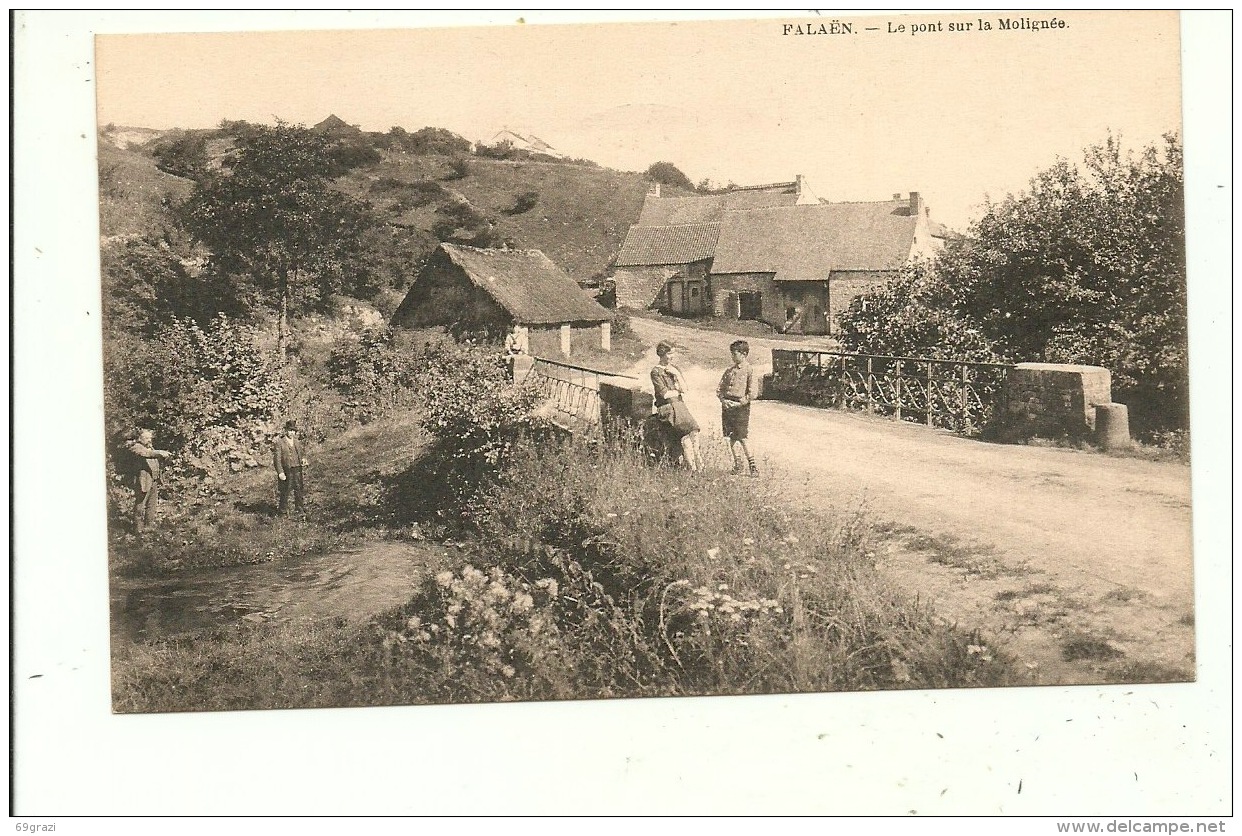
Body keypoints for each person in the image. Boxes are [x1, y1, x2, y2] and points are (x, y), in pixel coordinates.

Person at [651, 340, 704, 472]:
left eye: (673, 353)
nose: (672, 356)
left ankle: (698, 464)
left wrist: (677, 374)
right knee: (686, 435)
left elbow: (685, 389)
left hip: (679, 406)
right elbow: (665, 394)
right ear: (662, 354)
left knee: (694, 431)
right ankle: (692, 468)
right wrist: (677, 390)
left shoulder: (674, 369)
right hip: (667, 408)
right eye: (669, 353)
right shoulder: (656, 372)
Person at [718, 340, 760, 476]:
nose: (732, 357)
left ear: (744, 354)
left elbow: (753, 392)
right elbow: (719, 389)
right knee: (731, 437)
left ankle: (752, 465)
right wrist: (723, 400)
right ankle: (738, 464)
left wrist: (740, 402)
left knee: (742, 436)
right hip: (727, 406)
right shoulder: (729, 371)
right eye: (732, 354)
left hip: (740, 407)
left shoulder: (749, 370)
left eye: (735, 354)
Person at [126, 428, 172, 534]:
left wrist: (164, 458)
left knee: (152, 504)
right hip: (143, 481)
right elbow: (147, 454)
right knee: (140, 504)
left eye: (150, 438)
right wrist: (160, 452)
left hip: (153, 480)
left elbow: (154, 458)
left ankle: (149, 526)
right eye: (146, 438)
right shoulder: (136, 447)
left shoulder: (149, 447)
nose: (149, 440)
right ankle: (138, 530)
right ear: (139, 438)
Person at [273, 420, 308, 516]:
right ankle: (282, 512)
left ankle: (299, 510)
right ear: (286, 430)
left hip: (297, 468)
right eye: (290, 430)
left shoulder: (297, 442)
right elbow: (277, 459)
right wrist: (280, 472)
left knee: (299, 489)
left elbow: (301, 453)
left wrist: (303, 459)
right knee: (285, 490)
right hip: (286, 470)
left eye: (293, 431)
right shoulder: (280, 443)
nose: (291, 433)